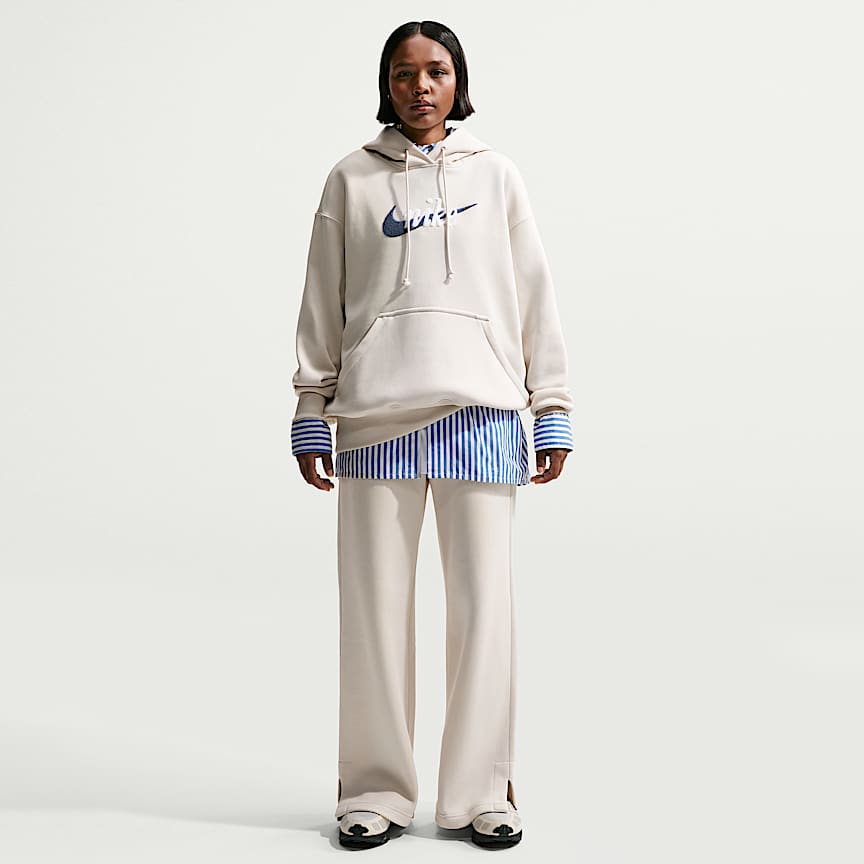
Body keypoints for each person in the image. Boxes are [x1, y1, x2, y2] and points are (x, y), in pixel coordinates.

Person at [290, 20, 574, 850]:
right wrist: (312, 407)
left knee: (484, 612)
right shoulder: (351, 179)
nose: (421, 87)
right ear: (386, 84)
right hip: (374, 420)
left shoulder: (497, 175)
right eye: (405, 73)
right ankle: (373, 790)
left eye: (437, 71)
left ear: (458, 81)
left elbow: (534, 294)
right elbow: (321, 299)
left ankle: (481, 792)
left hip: (481, 414)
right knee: (373, 614)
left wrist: (550, 404)